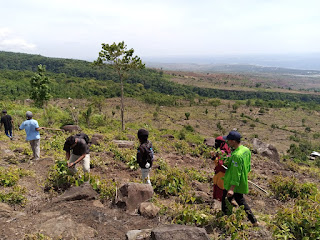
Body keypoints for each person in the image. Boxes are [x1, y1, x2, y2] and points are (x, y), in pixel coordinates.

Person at [222, 130, 258, 226]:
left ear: (233, 141)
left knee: (229, 201)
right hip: (241, 181)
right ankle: (254, 221)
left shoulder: (237, 156)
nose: (227, 142)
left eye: (229, 140)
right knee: (239, 201)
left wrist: (232, 188)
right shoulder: (245, 150)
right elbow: (248, 166)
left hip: (233, 183)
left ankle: (226, 222)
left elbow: (236, 173)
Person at [211, 136, 231, 201]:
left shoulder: (221, 152)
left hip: (221, 174)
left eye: (218, 142)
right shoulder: (228, 152)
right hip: (225, 174)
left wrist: (214, 158)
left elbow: (220, 164)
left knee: (219, 190)